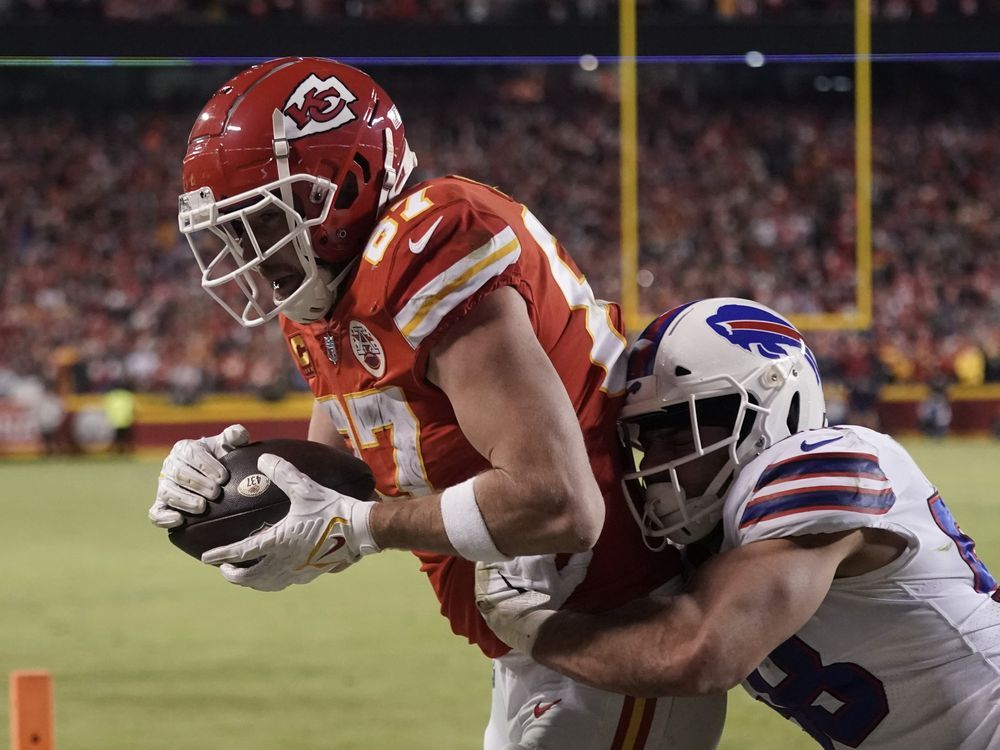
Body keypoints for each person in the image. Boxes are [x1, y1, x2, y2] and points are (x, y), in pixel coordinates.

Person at [148, 57, 724, 748]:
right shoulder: (326, 297)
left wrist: (359, 528)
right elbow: (332, 494)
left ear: (341, 189)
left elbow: (558, 501)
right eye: (232, 229)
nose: (243, 251)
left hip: (617, 628)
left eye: (261, 222)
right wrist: (229, 487)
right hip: (539, 644)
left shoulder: (431, 244)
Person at [477, 297, 1000, 749]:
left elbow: (698, 653)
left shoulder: (828, 462)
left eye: (681, 439)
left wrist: (529, 624)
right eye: (647, 443)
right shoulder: (716, 543)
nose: (661, 466)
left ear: (778, 407)